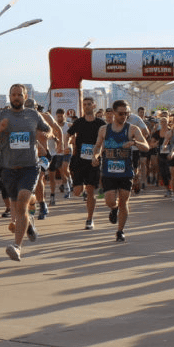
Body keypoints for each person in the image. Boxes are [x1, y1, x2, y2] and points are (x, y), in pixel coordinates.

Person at [0, 84, 56, 261]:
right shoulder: (1, 116)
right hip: (8, 169)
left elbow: (49, 130)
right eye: (13, 94)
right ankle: (29, 224)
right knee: (17, 208)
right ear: (9, 97)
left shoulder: (33, 115)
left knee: (22, 202)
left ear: (25, 96)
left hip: (29, 167)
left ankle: (17, 246)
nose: (16, 97)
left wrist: (46, 135)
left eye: (19, 95)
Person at [92, 99, 149, 241]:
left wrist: (135, 142)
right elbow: (98, 146)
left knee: (124, 201)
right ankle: (113, 208)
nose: (124, 116)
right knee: (110, 201)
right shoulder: (104, 129)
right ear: (113, 113)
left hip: (126, 171)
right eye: (121, 114)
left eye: (127, 114)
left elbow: (146, 147)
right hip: (109, 171)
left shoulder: (132, 129)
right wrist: (95, 156)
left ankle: (120, 231)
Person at [66, 97, 104, 229]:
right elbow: (68, 133)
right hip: (79, 160)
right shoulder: (79, 122)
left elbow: (104, 141)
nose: (87, 106)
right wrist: (65, 145)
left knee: (91, 191)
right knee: (77, 192)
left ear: (94, 106)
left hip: (93, 161)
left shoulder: (100, 123)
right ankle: (86, 194)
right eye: (84, 104)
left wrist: (98, 155)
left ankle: (90, 219)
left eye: (89, 104)